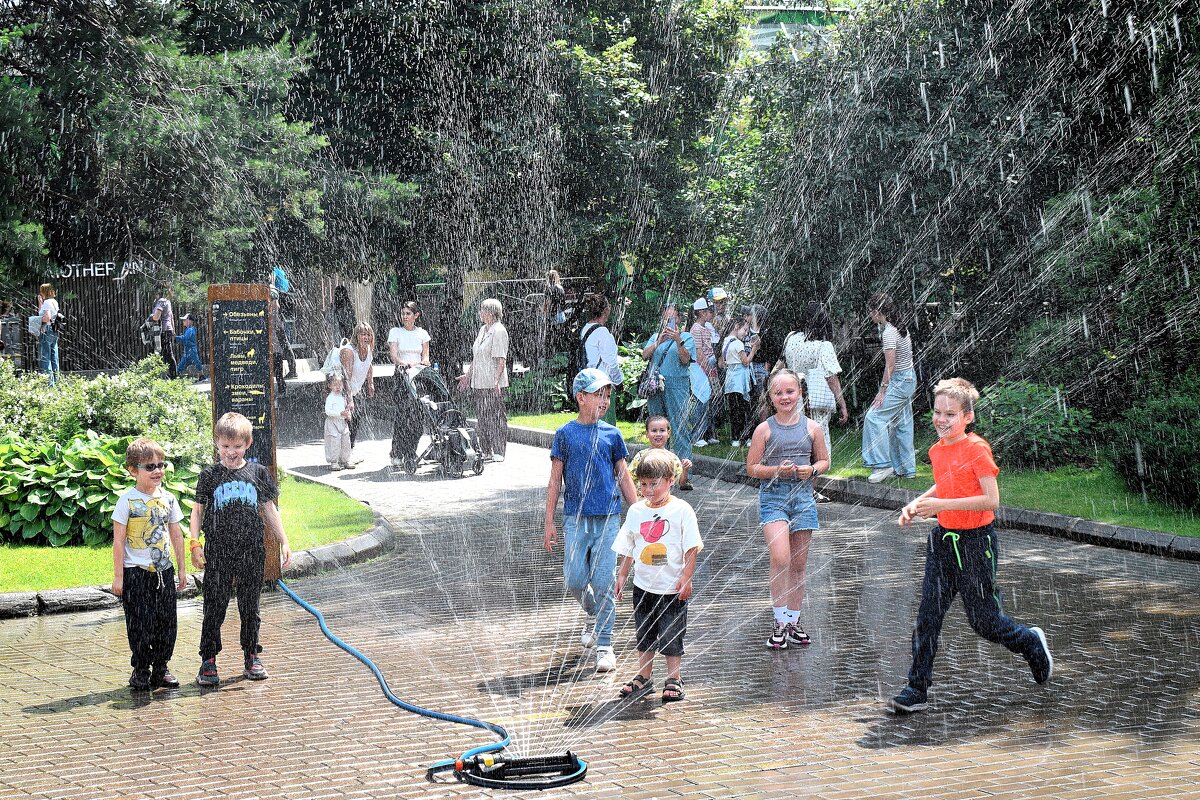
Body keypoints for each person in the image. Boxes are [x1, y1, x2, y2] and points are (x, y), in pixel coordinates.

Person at [889, 378, 1053, 713]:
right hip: (943, 542)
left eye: (950, 414)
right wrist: (917, 503)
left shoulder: (977, 449)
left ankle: (1030, 641)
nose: (941, 419)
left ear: (968, 417)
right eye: (937, 412)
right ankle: (916, 688)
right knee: (928, 616)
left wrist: (942, 506)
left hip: (977, 544)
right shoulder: (937, 450)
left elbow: (991, 500)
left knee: (984, 622)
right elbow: (945, 484)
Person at [544, 368, 638, 673]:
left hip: (608, 517)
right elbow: (555, 482)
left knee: (604, 582)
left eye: (607, 395)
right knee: (574, 580)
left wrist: (638, 514)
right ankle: (592, 611)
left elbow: (623, 476)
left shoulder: (612, 434)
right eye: (598, 394)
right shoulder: (565, 434)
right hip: (575, 519)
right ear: (580, 397)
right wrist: (549, 522)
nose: (604, 400)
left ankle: (605, 645)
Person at [190, 412, 293, 685]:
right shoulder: (209, 475)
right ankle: (208, 660)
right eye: (225, 446)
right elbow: (197, 511)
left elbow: (269, 509)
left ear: (247, 443)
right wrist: (194, 543)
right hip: (219, 551)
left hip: (251, 550)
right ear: (216, 443)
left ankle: (251, 655)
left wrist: (284, 541)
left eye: (236, 446)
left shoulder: (258, 473)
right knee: (215, 606)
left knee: (250, 606)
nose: (230, 452)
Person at [745, 368, 830, 650]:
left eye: (790, 391)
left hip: (803, 499)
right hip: (774, 499)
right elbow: (752, 467)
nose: (785, 397)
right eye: (778, 393)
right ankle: (779, 621)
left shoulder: (812, 428)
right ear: (771, 397)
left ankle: (794, 621)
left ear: (800, 393)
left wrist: (812, 470)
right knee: (781, 557)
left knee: (799, 565)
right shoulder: (764, 429)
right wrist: (775, 471)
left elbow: (824, 461)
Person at [613, 448, 703, 703]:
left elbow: (691, 547)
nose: (648, 490)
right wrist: (622, 575)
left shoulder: (682, 510)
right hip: (643, 587)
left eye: (654, 483)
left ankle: (674, 677)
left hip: (672, 587)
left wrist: (687, 578)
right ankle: (644, 676)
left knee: (672, 632)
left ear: (671, 481)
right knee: (644, 632)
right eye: (643, 484)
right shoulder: (636, 511)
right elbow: (628, 547)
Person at [111, 437, 188, 690]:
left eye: (161, 465)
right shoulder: (126, 501)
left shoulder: (169, 498)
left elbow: (176, 535)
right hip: (136, 572)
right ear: (133, 470)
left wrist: (182, 569)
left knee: (167, 622)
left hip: (164, 571)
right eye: (150, 467)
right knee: (140, 623)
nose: (158, 471)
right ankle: (141, 669)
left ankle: (161, 668)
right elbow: (118, 541)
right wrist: (119, 577)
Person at [777, 301, 849, 466]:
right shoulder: (823, 346)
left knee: (796, 435)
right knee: (817, 438)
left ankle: (795, 469)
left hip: (794, 398)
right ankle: (815, 475)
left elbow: (781, 364)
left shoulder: (791, 338)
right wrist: (842, 405)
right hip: (815, 400)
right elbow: (831, 379)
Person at [862, 292, 917, 483]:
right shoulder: (900, 327)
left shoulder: (889, 333)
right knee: (901, 424)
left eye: (871, 312)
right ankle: (906, 469)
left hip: (900, 380)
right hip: (908, 379)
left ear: (877, 312)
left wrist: (882, 391)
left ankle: (882, 465)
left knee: (873, 417)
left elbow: (890, 365)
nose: (870, 316)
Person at [640, 303, 697, 470]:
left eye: (671, 318)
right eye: (665, 319)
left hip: (677, 385)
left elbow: (685, 360)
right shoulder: (656, 336)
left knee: (679, 428)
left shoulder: (686, 337)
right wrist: (659, 342)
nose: (668, 322)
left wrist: (678, 340)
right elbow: (645, 355)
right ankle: (659, 468)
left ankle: (684, 473)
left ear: (679, 319)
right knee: (657, 428)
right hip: (655, 386)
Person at [458, 298, 509, 462]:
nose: (480, 313)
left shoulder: (499, 330)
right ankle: (486, 450)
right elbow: (477, 357)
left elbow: (501, 359)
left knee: (496, 417)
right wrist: (467, 376)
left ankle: (499, 451)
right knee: (483, 418)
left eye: (482, 310)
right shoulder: (483, 329)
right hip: (479, 381)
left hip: (492, 382)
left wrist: (496, 382)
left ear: (491, 312)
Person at [387, 300, 432, 468]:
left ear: (416, 315)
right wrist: (404, 364)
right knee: (402, 417)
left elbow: (425, 356)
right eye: (403, 313)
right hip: (402, 377)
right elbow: (394, 356)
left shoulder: (423, 334)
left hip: (418, 378)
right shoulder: (395, 332)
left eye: (408, 314)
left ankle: (411, 453)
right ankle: (397, 453)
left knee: (418, 418)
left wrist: (422, 363)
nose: (405, 316)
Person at [578, 293, 623, 424]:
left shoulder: (585, 329)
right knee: (605, 425)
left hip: (588, 384)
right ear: (605, 310)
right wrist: (618, 382)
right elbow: (611, 363)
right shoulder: (602, 332)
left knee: (590, 422)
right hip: (602, 385)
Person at [339, 321, 376, 459]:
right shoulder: (349, 351)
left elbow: (369, 365)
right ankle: (342, 455)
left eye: (368, 334)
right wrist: (349, 400)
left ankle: (348, 452)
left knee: (356, 421)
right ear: (356, 336)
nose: (366, 337)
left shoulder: (368, 349)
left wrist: (370, 383)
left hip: (356, 391)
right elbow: (346, 378)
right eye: (362, 334)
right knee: (345, 424)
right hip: (342, 391)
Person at [719, 316, 757, 447]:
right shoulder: (739, 343)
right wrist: (754, 349)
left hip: (730, 379)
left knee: (734, 410)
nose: (746, 333)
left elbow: (722, 362)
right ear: (736, 327)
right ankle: (746, 437)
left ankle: (735, 438)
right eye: (745, 330)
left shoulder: (725, 341)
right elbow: (746, 362)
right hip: (741, 380)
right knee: (745, 409)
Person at [630, 415, 694, 491]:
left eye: (662, 430)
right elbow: (629, 477)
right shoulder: (640, 456)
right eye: (654, 431)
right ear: (647, 434)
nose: (658, 434)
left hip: (662, 498)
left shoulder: (672, 458)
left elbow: (681, 482)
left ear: (668, 434)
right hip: (642, 497)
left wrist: (685, 469)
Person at [688, 298, 719, 448]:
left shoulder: (705, 328)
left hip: (707, 367)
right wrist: (708, 370)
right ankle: (696, 436)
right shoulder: (695, 329)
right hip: (699, 368)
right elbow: (699, 353)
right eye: (708, 311)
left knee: (708, 402)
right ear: (701, 312)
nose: (710, 314)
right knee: (700, 402)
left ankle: (708, 434)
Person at [324, 373, 353, 471]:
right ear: (330, 386)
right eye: (335, 384)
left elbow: (345, 408)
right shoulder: (330, 398)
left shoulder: (342, 397)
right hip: (332, 422)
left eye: (340, 384)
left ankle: (345, 460)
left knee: (346, 441)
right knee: (334, 442)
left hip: (342, 422)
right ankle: (334, 462)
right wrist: (339, 414)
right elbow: (328, 411)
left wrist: (348, 414)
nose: (338, 387)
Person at [148, 287, 177, 379]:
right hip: (168, 330)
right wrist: (173, 331)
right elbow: (171, 317)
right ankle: (172, 375)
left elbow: (156, 317)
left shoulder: (161, 301)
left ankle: (167, 376)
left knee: (159, 353)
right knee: (168, 353)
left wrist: (150, 318)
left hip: (162, 331)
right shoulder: (167, 301)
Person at [36, 283, 60, 384]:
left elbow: (47, 317)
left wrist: (35, 320)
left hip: (46, 330)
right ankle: (57, 382)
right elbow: (43, 312)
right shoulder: (54, 301)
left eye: (41, 291)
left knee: (45, 356)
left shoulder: (47, 302)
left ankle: (49, 384)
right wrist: (40, 303)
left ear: (44, 292)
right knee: (54, 356)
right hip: (54, 330)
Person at [176, 313, 204, 378]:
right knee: (184, 364)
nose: (183, 321)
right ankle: (201, 375)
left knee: (194, 363)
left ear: (189, 320)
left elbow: (185, 338)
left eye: (184, 320)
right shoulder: (190, 329)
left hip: (191, 351)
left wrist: (175, 337)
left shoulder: (190, 330)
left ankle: (175, 376)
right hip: (189, 350)